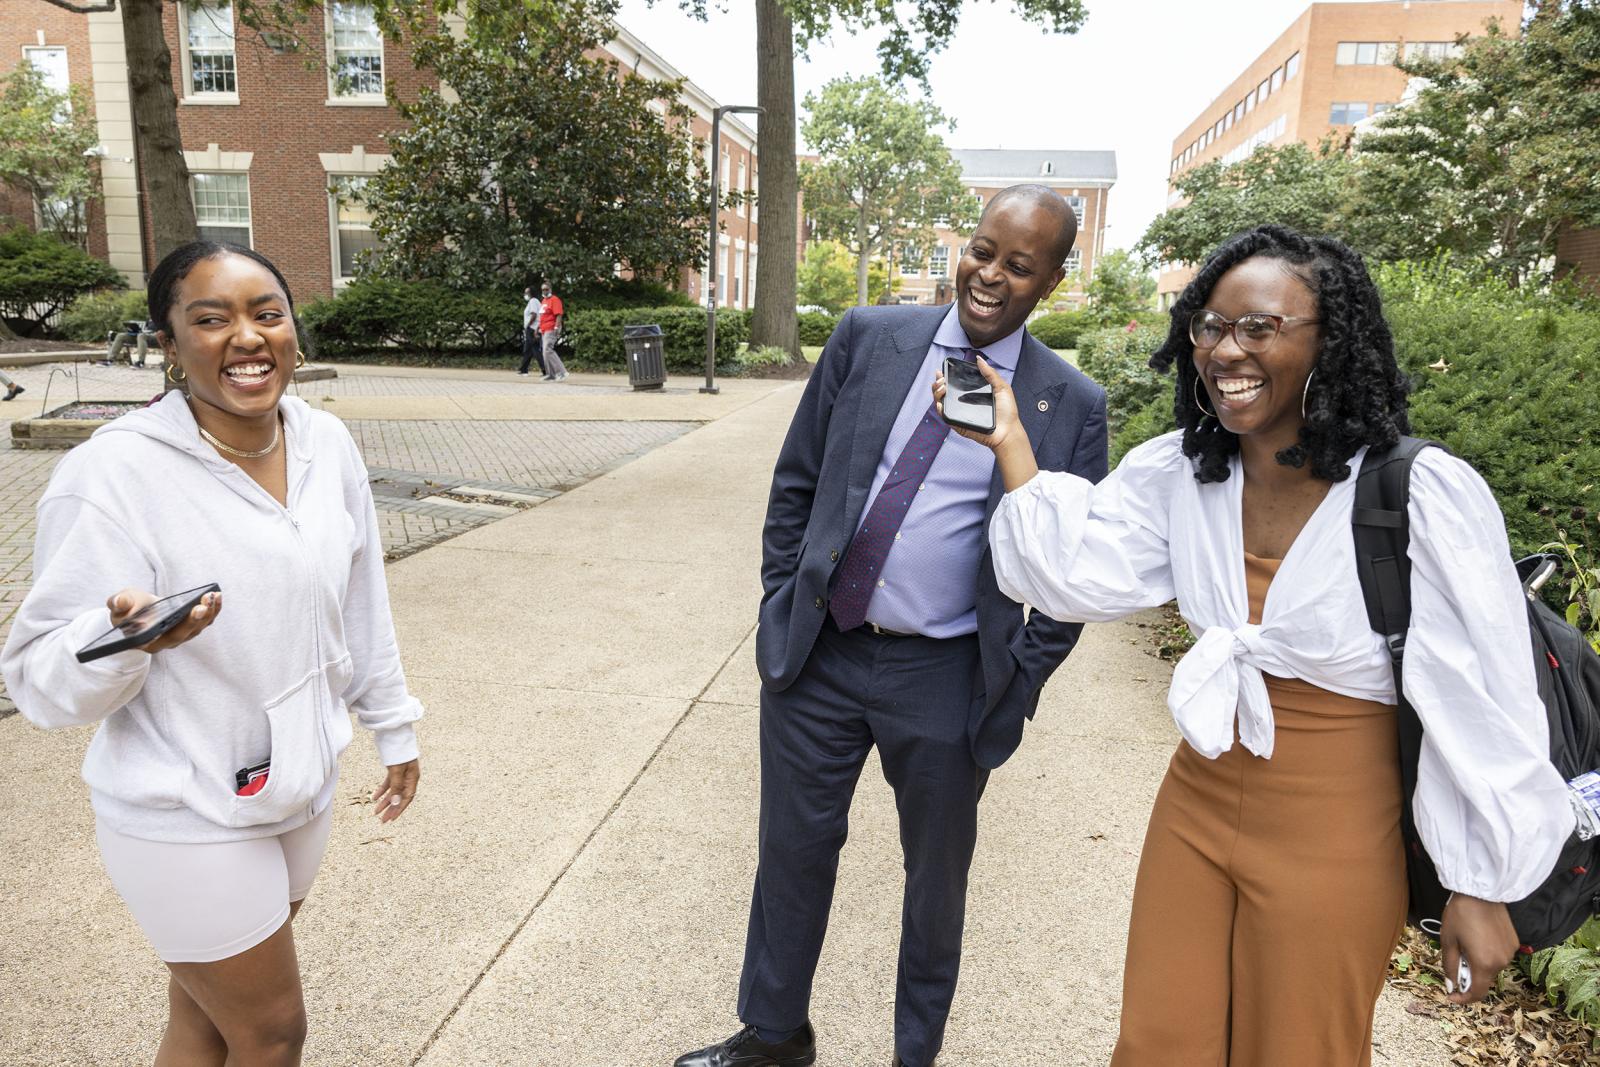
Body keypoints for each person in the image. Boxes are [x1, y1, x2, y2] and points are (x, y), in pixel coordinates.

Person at [941, 224, 1573, 1065]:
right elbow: (1073, 569)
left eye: (1259, 328)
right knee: (1159, 1041)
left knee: (1298, 1049)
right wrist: (1010, 441)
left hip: (1338, 817)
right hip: (1199, 796)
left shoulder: (1415, 493)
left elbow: (1485, 699)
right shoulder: (1188, 472)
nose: (1224, 349)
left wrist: (1483, 883)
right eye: (1209, 325)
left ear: (1330, 342)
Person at [675, 185, 1109, 1067]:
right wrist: (778, 611)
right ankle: (773, 1033)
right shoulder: (869, 339)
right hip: (823, 653)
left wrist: (1015, 682)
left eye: (1019, 265)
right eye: (982, 250)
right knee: (792, 852)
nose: (989, 274)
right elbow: (798, 481)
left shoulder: (1072, 403)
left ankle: (916, 1052)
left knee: (934, 884)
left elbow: (1071, 576)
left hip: (947, 675)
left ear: (1052, 282)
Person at [1, 240, 424, 1066]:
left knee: (206, 1022)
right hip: (182, 806)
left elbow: (360, 597)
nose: (248, 337)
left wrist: (394, 724)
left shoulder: (326, 442)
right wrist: (127, 641)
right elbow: (36, 679)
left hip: (298, 785)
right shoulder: (113, 474)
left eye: (267, 313)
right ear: (167, 343)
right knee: (271, 1032)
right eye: (211, 319)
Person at [538, 281, 568, 381]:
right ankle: (551, 374)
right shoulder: (544, 301)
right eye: (543, 290)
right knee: (545, 352)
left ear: (550, 289)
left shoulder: (555, 300)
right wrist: (539, 328)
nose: (545, 291)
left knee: (548, 349)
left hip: (551, 328)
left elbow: (558, 314)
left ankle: (562, 372)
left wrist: (556, 327)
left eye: (546, 289)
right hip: (544, 329)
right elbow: (542, 316)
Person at [517, 285, 545, 377]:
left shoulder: (533, 301)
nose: (525, 294)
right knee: (528, 350)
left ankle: (545, 369)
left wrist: (528, 325)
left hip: (532, 329)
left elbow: (534, 314)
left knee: (535, 349)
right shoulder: (535, 301)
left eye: (527, 292)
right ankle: (523, 369)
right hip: (533, 328)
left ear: (531, 293)